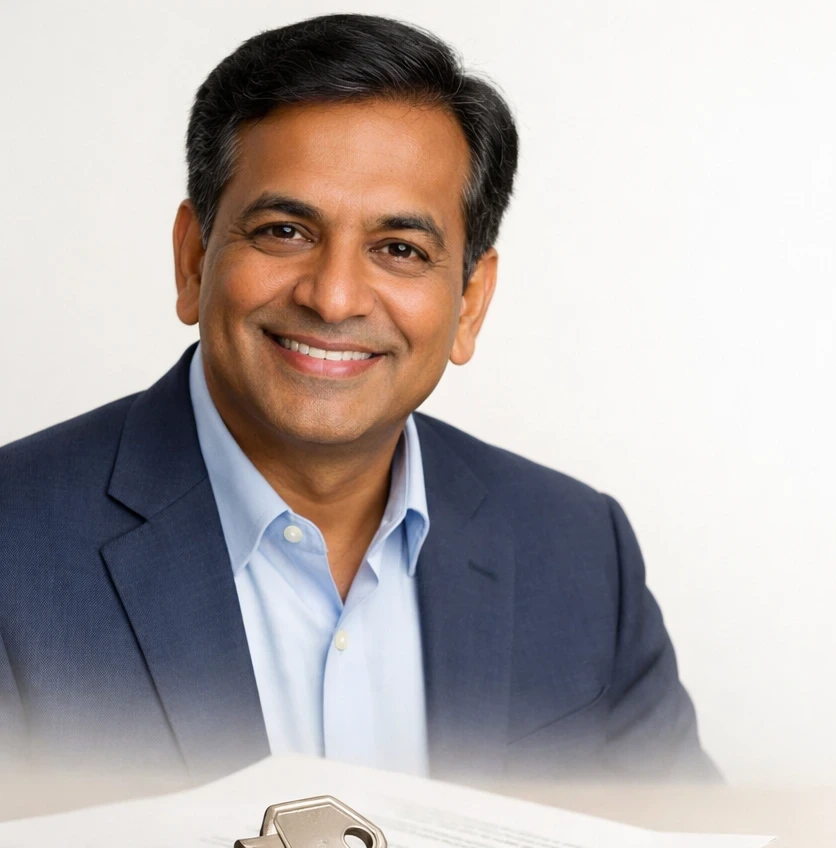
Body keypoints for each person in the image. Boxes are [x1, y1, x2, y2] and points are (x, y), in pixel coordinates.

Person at [0, 14, 719, 784]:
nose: (335, 297)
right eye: (284, 231)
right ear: (193, 258)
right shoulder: (16, 549)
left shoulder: (579, 554)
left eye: (399, 250)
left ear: (470, 302)